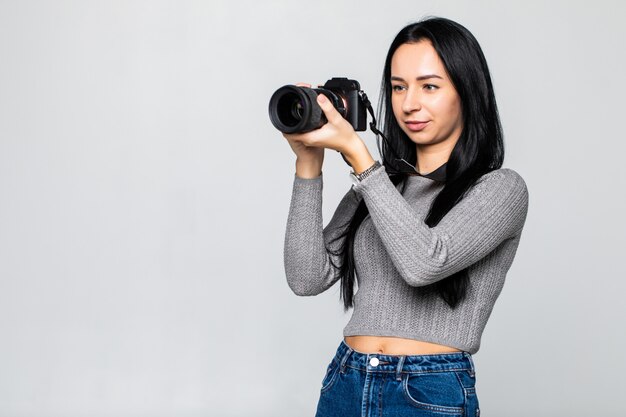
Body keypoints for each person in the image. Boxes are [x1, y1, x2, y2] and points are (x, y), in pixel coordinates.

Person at [282, 16, 529, 417]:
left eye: (429, 86)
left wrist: (362, 160)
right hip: (347, 378)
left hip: (428, 390)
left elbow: (425, 263)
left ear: (467, 92)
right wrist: (308, 166)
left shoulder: (501, 188)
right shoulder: (380, 186)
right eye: (398, 87)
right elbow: (306, 278)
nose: (409, 103)